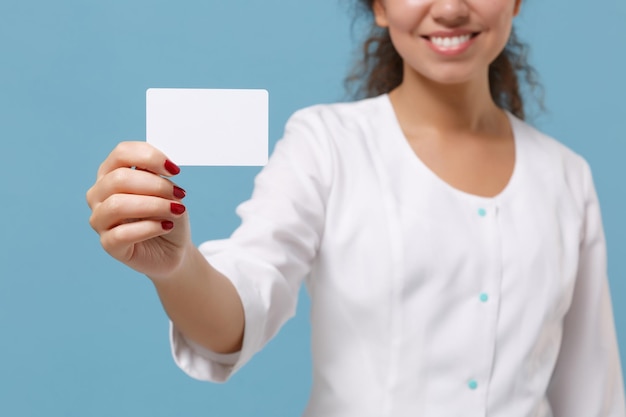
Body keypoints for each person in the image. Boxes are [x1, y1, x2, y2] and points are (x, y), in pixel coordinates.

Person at [86, 0, 626, 415]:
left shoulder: (565, 175)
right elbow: (244, 301)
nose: (451, 8)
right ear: (379, 5)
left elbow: (592, 391)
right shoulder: (325, 144)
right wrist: (177, 268)